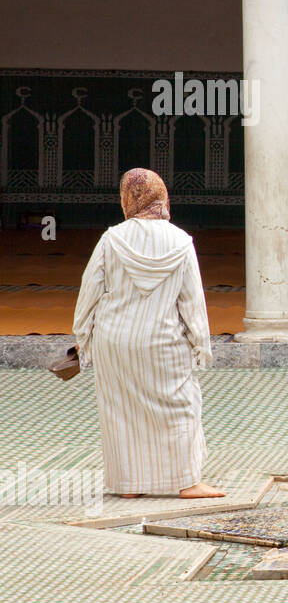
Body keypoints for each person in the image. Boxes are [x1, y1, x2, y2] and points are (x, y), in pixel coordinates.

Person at [72, 169, 223, 499]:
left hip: (113, 340)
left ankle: (129, 486)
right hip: (162, 341)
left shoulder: (112, 239)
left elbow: (90, 290)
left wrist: (82, 336)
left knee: (121, 410)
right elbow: (192, 300)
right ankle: (187, 482)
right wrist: (201, 344)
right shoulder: (181, 242)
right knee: (180, 406)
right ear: (161, 196)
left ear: (128, 199)